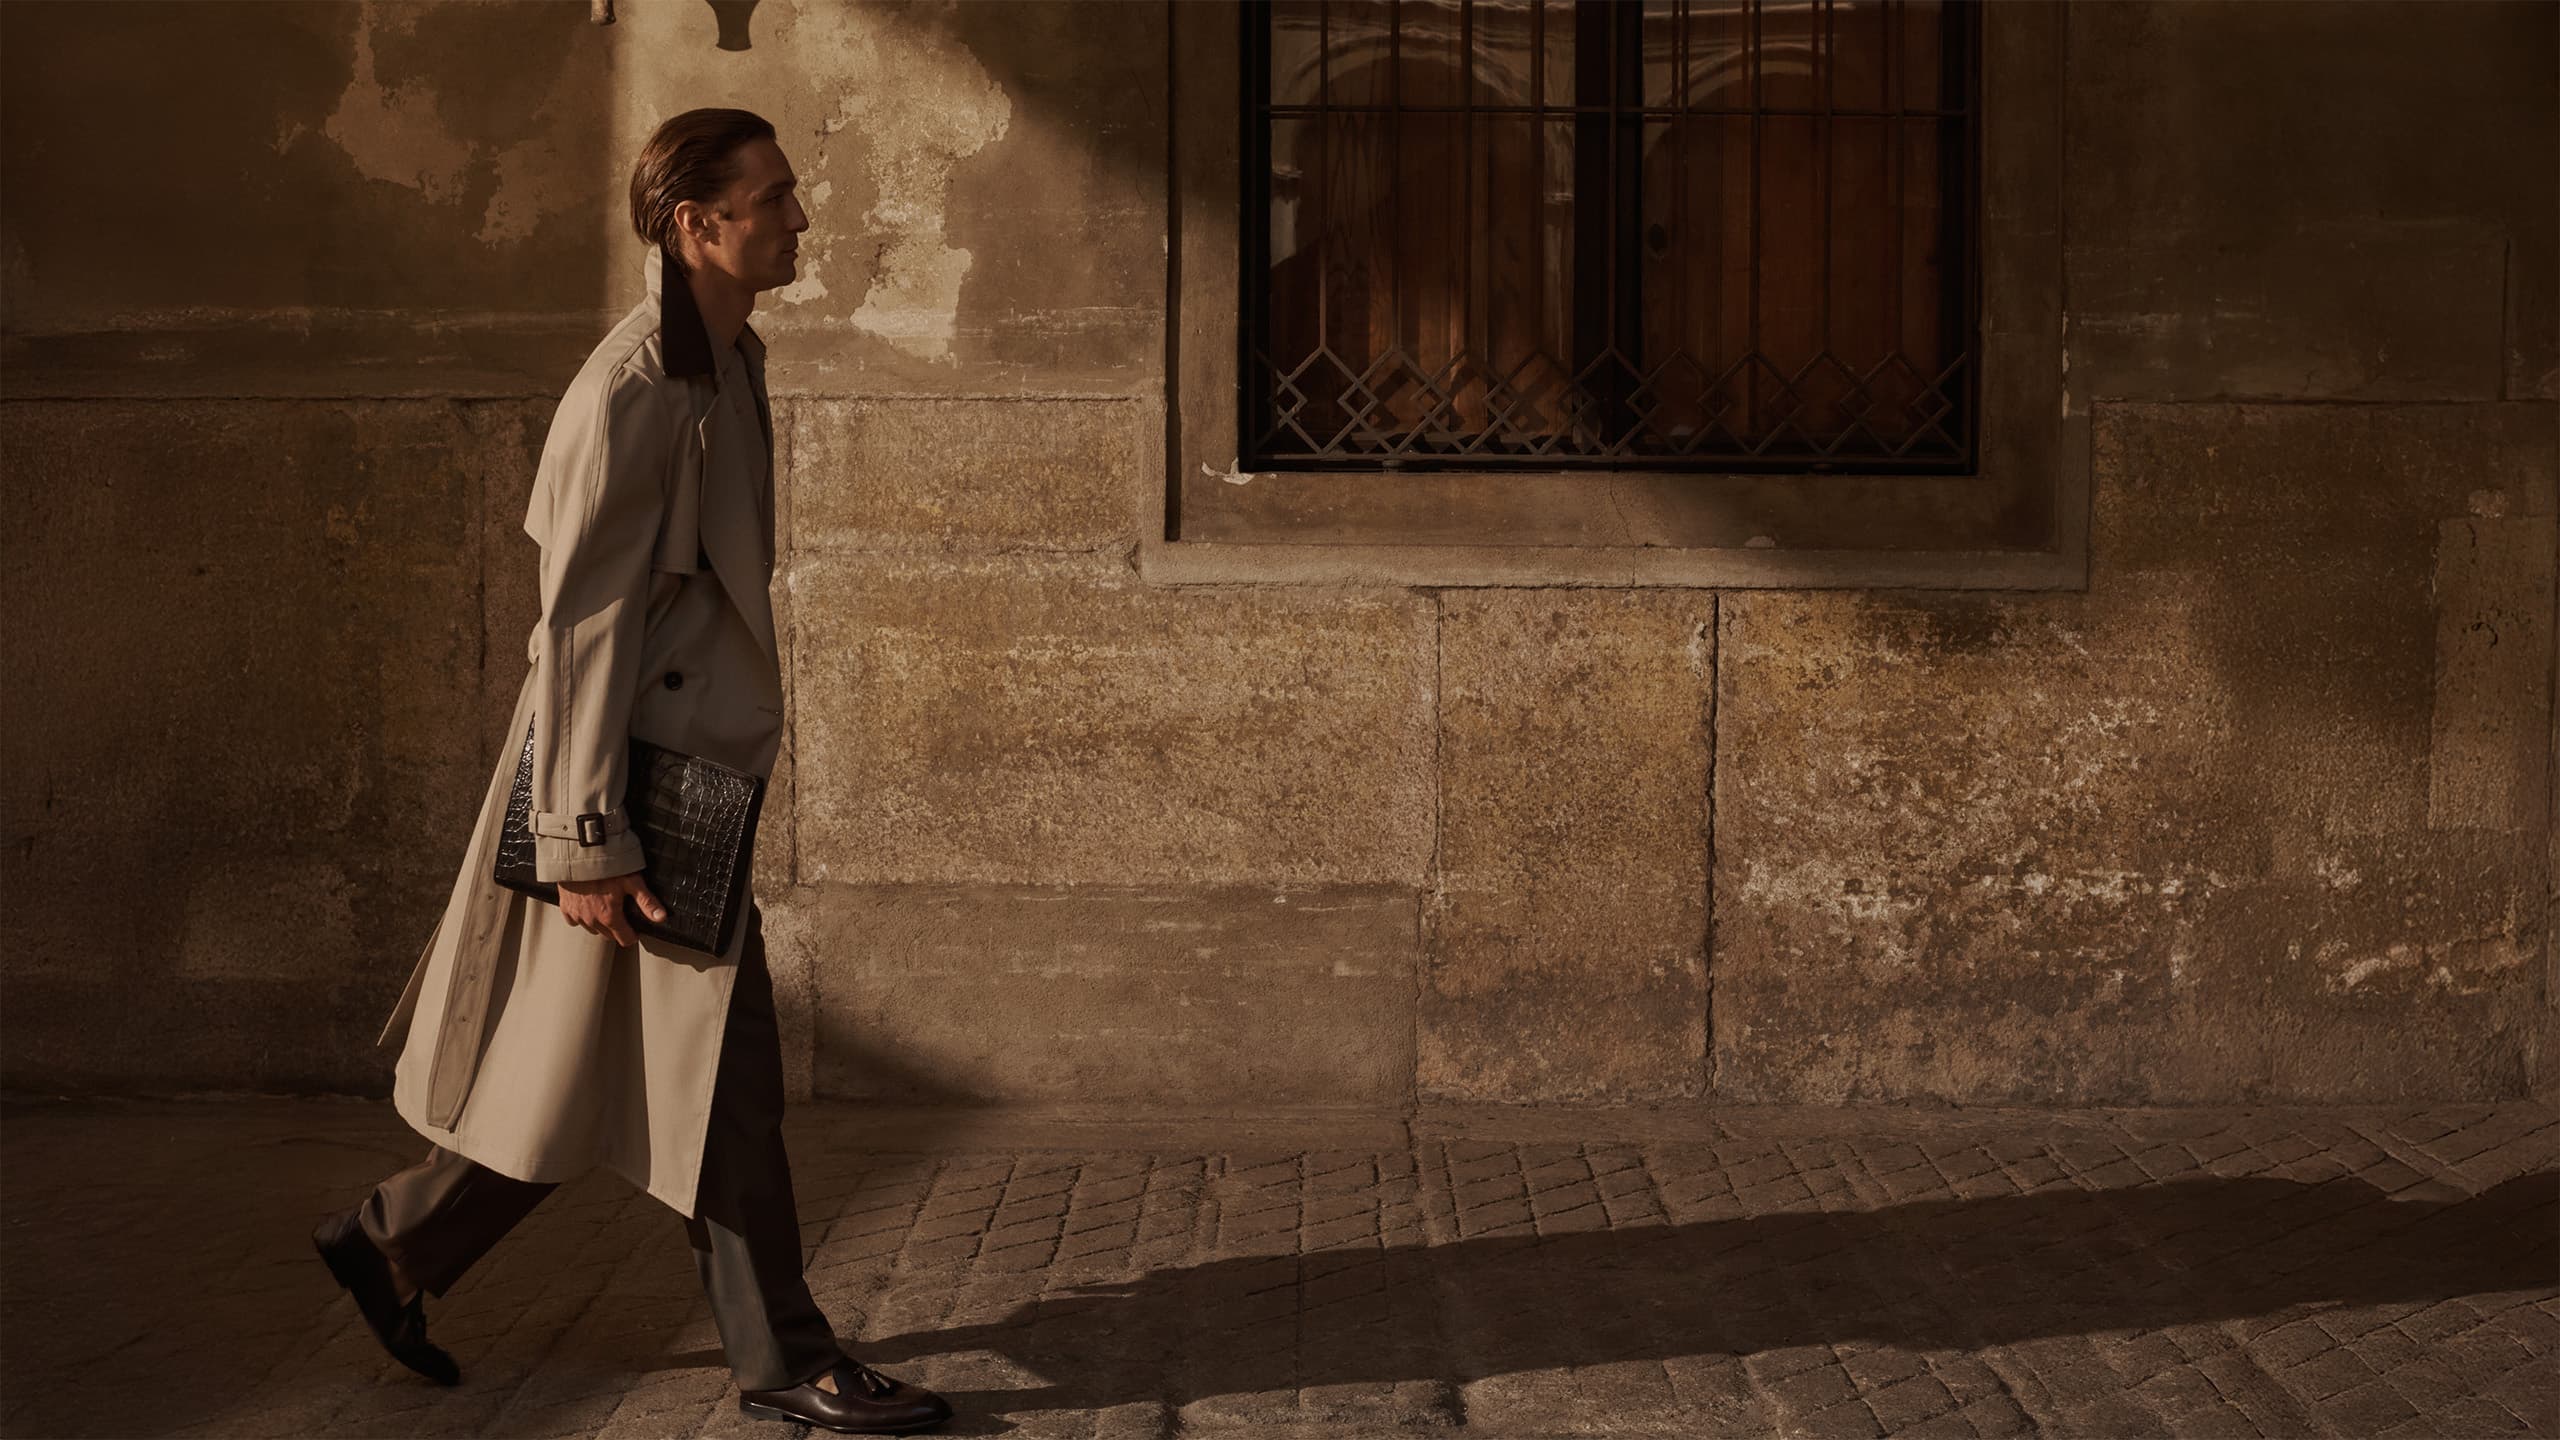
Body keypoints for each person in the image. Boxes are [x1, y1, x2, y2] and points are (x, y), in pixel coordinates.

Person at [311, 107, 952, 1437]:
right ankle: (786, 1355)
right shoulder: (636, 389)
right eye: (772, 199)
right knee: (726, 1076)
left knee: (594, 1065)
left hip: (681, 772)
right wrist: (587, 838)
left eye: (789, 194)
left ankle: (397, 1245)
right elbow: (581, 627)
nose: (799, 218)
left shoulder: (727, 357)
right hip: (640, 792)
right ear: (693, 225)